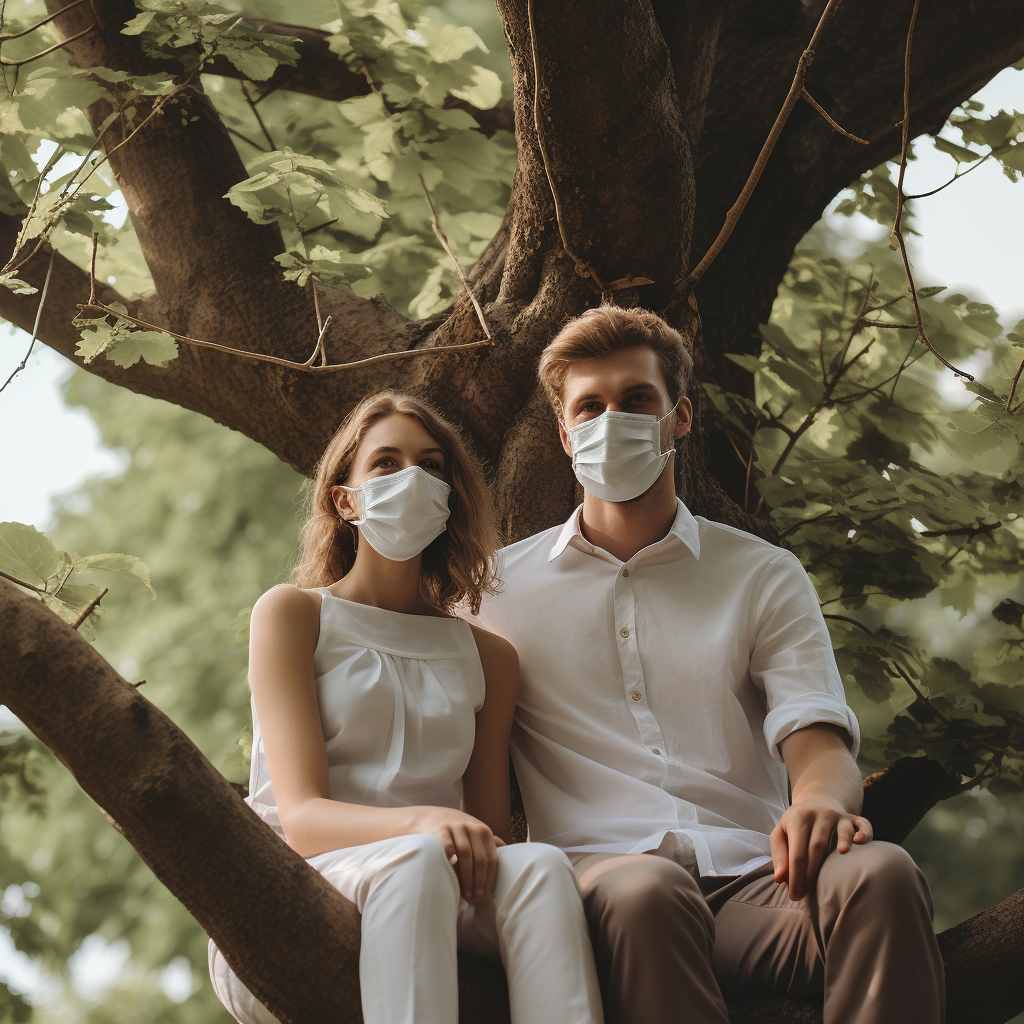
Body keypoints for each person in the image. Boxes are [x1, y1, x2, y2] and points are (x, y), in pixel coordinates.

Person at [469, 307, 944, 1024]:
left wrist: (818, 803)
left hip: (759, 883)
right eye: (589, 407)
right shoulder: (493, 595)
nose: (611, 420)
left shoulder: (763, 574)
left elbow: (820, 749)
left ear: (679, 417)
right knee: (646, 893)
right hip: (604, 892)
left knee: (883, 875)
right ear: (566, 435)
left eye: (637, 400)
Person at [208, 391, 604, 1024]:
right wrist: (422, 824)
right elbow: (302, 819)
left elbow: (490, 832)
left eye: (431, 465)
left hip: (438, 888)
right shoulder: (293, 615)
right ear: (345, 499)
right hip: (303, 891)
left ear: (450, 496)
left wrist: (445, 839)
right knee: (417, 861)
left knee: (539, 866)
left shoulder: (489, 657)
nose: (411, 478)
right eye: (386, 464)